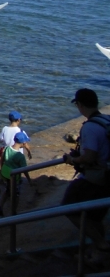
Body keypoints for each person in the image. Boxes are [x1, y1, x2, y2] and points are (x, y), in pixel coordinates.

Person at [61, 89, 110, 259]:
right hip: (107, 175)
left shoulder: (90, 127)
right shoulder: (106, 119)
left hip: (95, 178)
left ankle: (101, 244)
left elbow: (90, 156)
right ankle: (99, 251)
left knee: (69, 207)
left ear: (79, 105)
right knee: (95, 217)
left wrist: (73, 160)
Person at [0, 131, 32, 216]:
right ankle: (14, 211)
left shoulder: (7, 148)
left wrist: (1, 169)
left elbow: (2, 160)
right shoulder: (20, 156)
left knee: (7, 190)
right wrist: (29, 180)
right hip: (14, 177)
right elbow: (24, 170)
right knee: (17, 195)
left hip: (5, 173)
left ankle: (0, 207)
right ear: (23, 143)